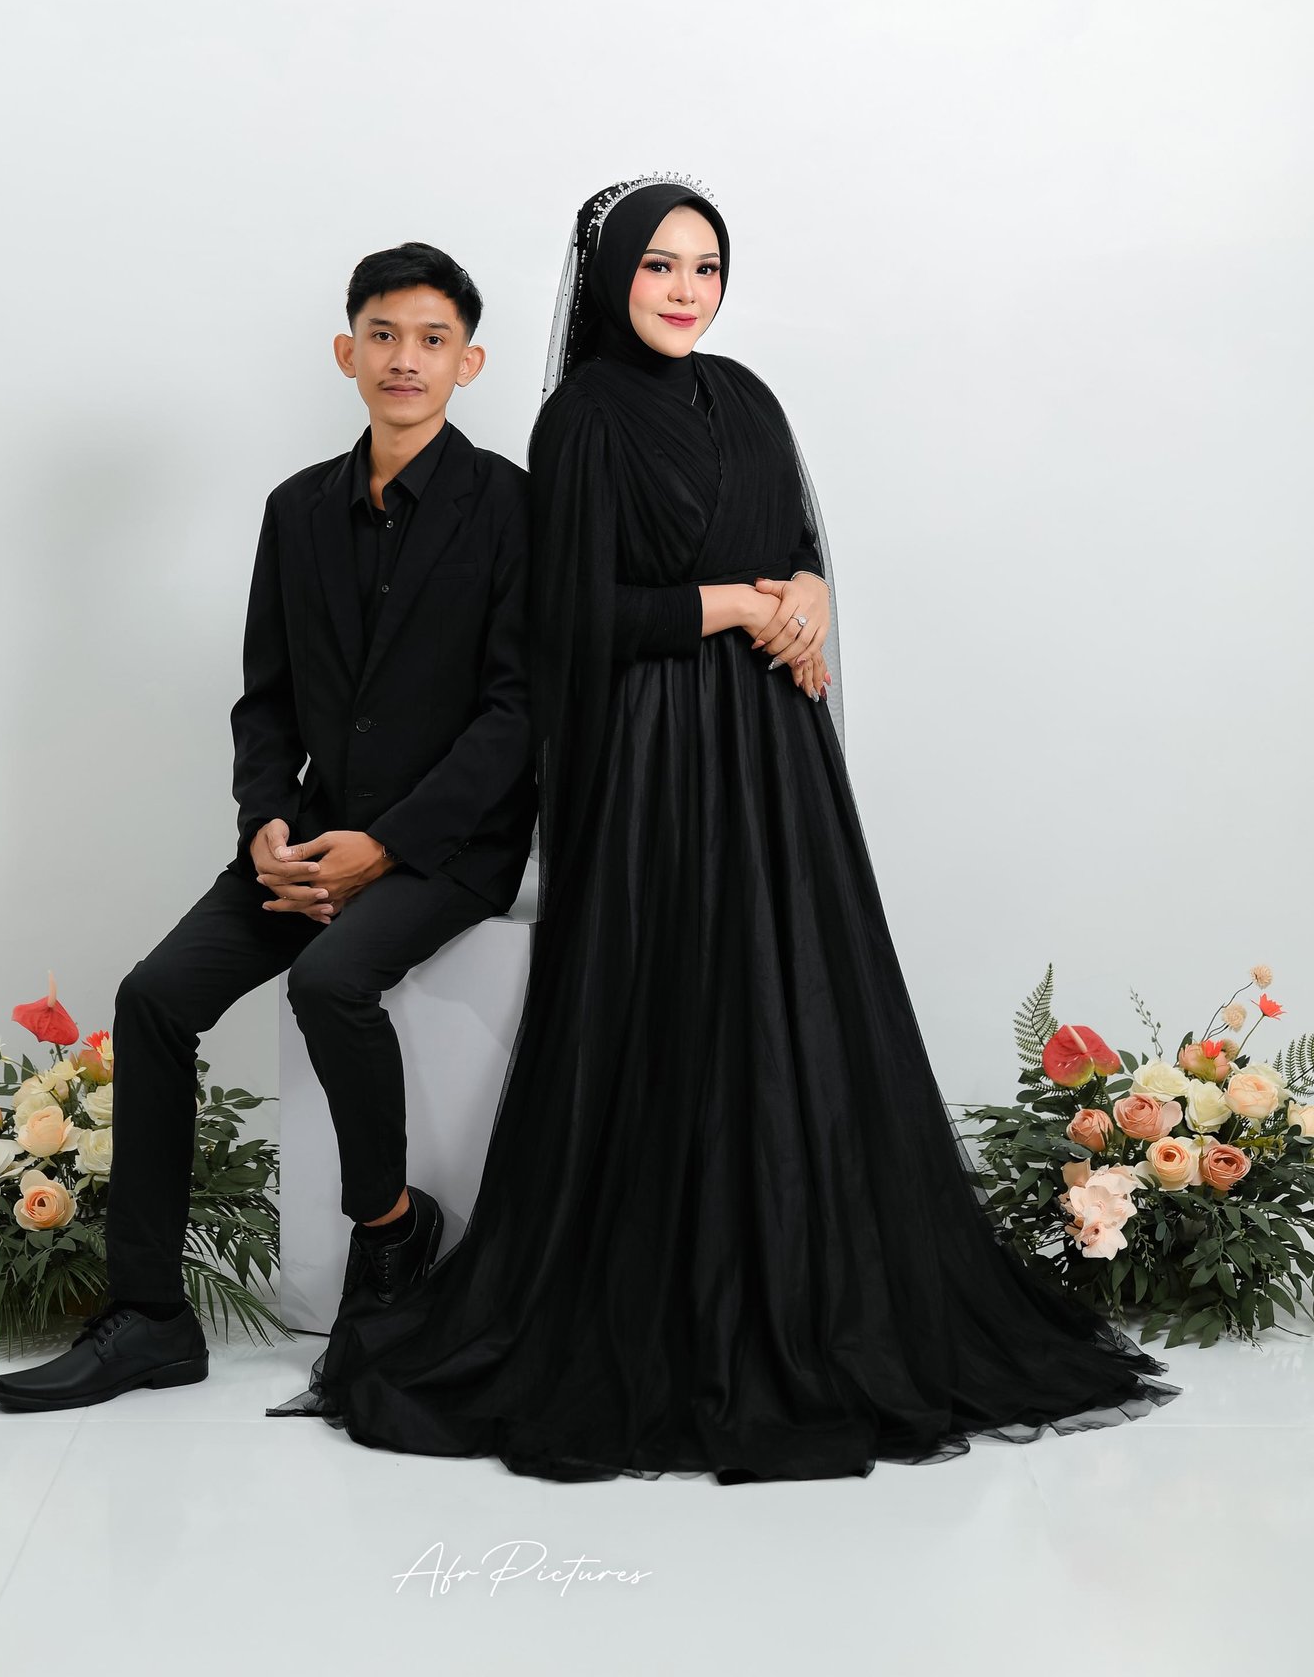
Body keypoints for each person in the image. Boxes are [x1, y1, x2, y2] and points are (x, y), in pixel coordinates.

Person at [284, 172, 1180, 1481]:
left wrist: (806, 590)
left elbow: (795, 539)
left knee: (791, 998)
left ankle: (811, 1283)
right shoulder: (582, 416)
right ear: (611, 277)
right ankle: (662, 1298)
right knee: (680, 1003)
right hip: (650, 759)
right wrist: (742, 609)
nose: (684, 288)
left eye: (704, 265)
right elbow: (578, 619)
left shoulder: (747, 397)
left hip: (771, 754)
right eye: (658, 263)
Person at [0, 242, 536, 1412]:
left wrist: (388, 844)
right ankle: (149, 1316)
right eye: (382, 334)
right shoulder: (296, 510)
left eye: (432, 338)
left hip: (450, 846)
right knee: (153, 997)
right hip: (307, 838)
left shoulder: (510, 507)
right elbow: (267, 700)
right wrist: (266, 824)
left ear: (469, 362)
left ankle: (389, 1231)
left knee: (329, 981)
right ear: (346, 351)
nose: (404, 357)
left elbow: (515, 714)